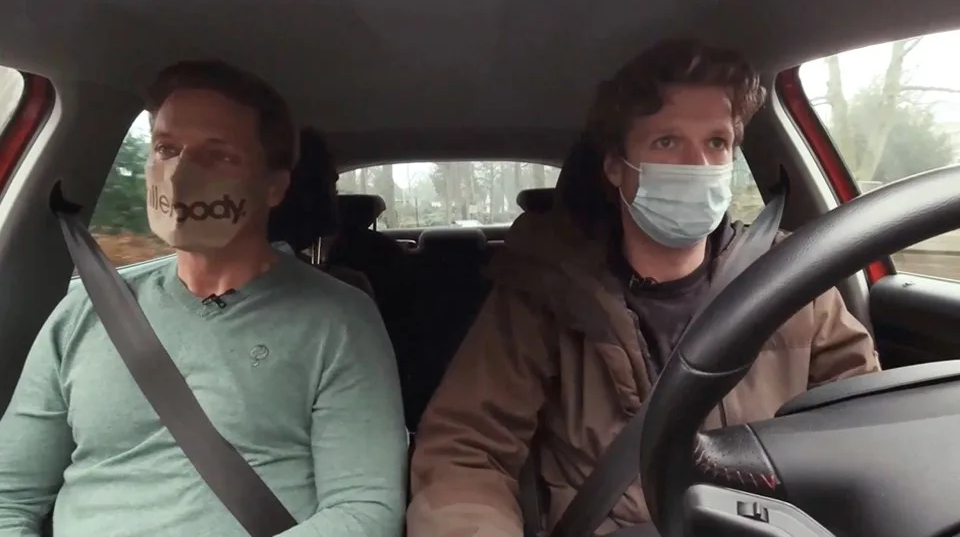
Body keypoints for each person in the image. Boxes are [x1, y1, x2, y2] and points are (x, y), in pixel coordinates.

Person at [407, 39, 881, 536]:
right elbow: (466, 454)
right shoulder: (543, 295)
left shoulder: (792, 280)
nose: (698, 165)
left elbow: (860, 424)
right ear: (616, 167)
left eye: (716, 143)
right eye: (666, 142)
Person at [0, 60, 407, 536]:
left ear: (274, 187)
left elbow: (364, 508)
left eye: (218, 156)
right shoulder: (83, 311)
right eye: (166, 149)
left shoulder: (340, 320)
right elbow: (9, 494)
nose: (179, 174)